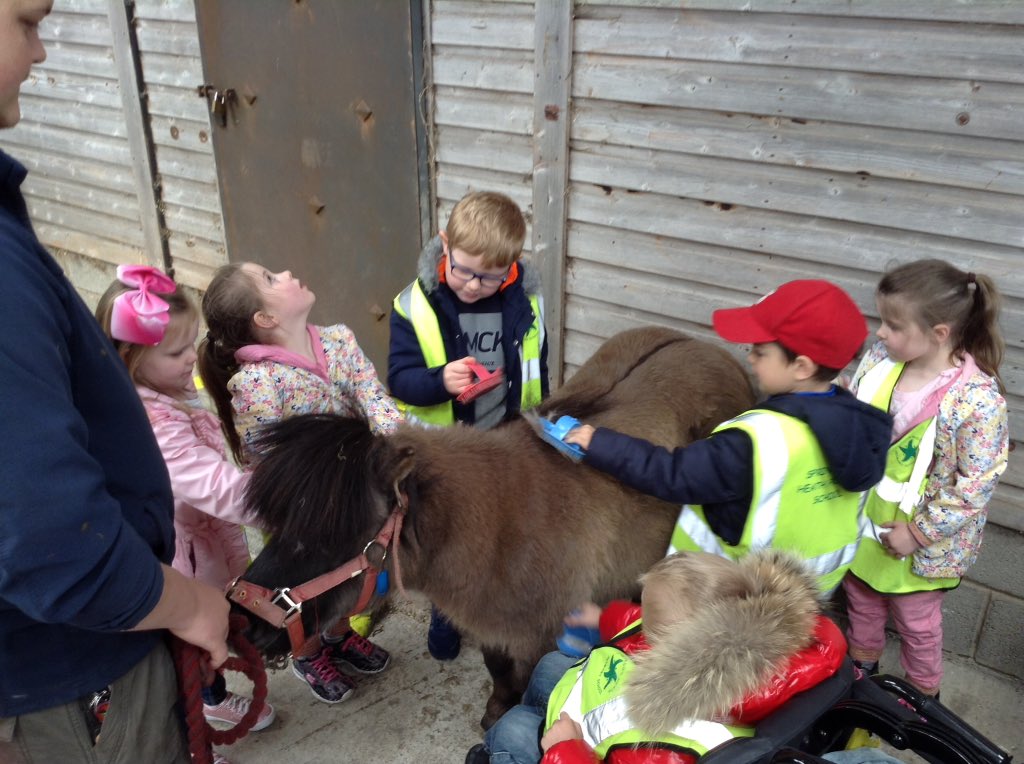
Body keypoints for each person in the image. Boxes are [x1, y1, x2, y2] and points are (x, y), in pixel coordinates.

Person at [0, 3, 230, 762]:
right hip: (67, 673)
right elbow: (46, 533)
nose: (39, 51)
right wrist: (187, 603)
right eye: (24, 23)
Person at [562, 280, 892, 596]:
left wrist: (600, 443)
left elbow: (674, 474)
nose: (749, 358)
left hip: (734, 595)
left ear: (801, 367)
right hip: (812, 590)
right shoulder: (860, 425)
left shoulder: (756, 441)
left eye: (760, 352)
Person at [199, 261, 401, 704]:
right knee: (310, 581)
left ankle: (340, 635)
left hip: (358, 487)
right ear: (265, 320)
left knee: (347, 572)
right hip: (302, 509)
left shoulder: (338, 339)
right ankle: (307, 651)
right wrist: (316, 496)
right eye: (271, 279)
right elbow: (266, 458)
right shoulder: (255, 383)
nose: (288, 272)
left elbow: (373, 396)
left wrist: (397, 446)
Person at [95, 265, 276, 734]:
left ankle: (209, 698)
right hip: (184, 559)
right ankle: (193, 730)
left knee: (197, 646)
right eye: (176, 352)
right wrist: (283, 498)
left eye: (189, 345)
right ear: (129, 356)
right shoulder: (154, 421)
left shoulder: (165, 392)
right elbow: (215, 487)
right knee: (184, 649)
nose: (189, 361)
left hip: (201, 544)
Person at [466, 550, 847, 764]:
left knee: (516, 728)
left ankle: (500, 752)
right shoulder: (749, 634)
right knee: (551, 666)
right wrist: (607, 620)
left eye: (650, 625)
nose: (640, 624)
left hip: (595, 749)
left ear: (675, 644)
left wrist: (566, 749)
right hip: (611, 712)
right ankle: (537, 721)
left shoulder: (668, 752)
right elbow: (643, 630)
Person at [388, 190, 549, 660]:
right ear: (444, 244)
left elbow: (537, 367)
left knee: (506, 530)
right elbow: (399, 379)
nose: (475, 285)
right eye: (464, 270)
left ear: (513, 265)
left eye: (490, 276)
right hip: (445, 453)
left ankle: (500, 604)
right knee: (450, 540)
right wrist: (440, 381)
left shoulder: (525, 302)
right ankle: (446, 618)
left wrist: (539, 420)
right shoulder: (414, 305)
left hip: (508, 441)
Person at [842, 259, 1008, 698]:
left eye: (893, 325)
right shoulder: (880, 361)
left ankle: (920, 700)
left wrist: (918, 532)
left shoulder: (976, 402)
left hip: (921, 547)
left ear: (939, 333)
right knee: (861, 604)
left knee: (916, 625)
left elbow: (976, 485)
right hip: (865, 526)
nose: (879, 333)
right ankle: (861, 681)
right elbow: (856, 407)